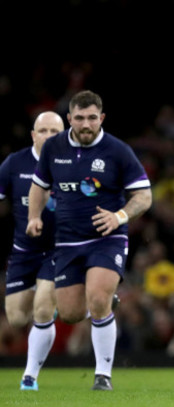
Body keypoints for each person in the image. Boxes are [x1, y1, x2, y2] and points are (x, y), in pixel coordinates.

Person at [26, 90, 152, 391]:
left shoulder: (117, 151)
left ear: (101, 118)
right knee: (69, 314)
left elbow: (144, 195)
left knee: (97, 300)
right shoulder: (53, 147)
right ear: (69, 119)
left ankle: (103, 376)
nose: (86, 124)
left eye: (92, 118)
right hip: (68, 242)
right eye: (79, 118)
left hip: (106, 239)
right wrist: (34, 216)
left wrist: (119, 216)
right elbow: (38, 186)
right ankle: (106, 302)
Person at [0, 112, 64, 390]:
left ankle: (30, 377)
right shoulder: (14, 163)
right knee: (16, 318)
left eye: (54, 131)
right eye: (43, 130)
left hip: (60, 249)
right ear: (33, 135)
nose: (48, 136)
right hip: (23, 251)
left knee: (42, 308)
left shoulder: (74, 164)